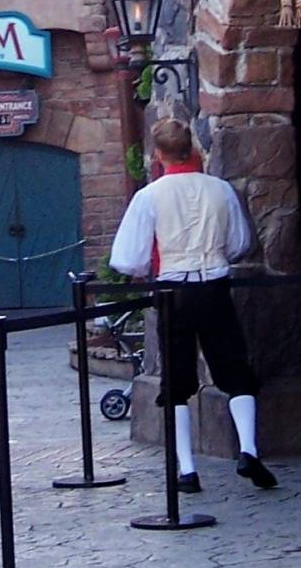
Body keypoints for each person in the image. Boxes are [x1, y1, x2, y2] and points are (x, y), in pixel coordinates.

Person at [108, 118, 278, 493]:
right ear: (192, 149)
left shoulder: (149, 196)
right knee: (235, 369)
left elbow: (127, 258)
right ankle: (248, 449)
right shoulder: (220, 190)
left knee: (177, 379)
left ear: (158, 154)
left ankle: (186, 469)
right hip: (214, 284)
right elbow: (239, 242)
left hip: (173, 289)